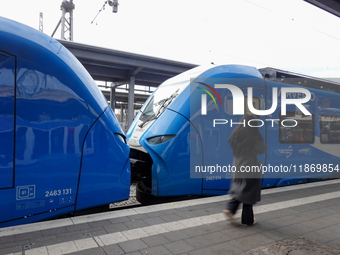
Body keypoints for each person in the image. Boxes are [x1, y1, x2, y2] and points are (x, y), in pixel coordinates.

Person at [223, 114, 266, 226]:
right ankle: (248, 220)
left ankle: (230, 209)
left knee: (239, 186)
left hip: (237, 164)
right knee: (249, 192)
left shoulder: (236, 133)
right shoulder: (253, 134)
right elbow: (261, 149)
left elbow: (230, 142)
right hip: (250, 165)